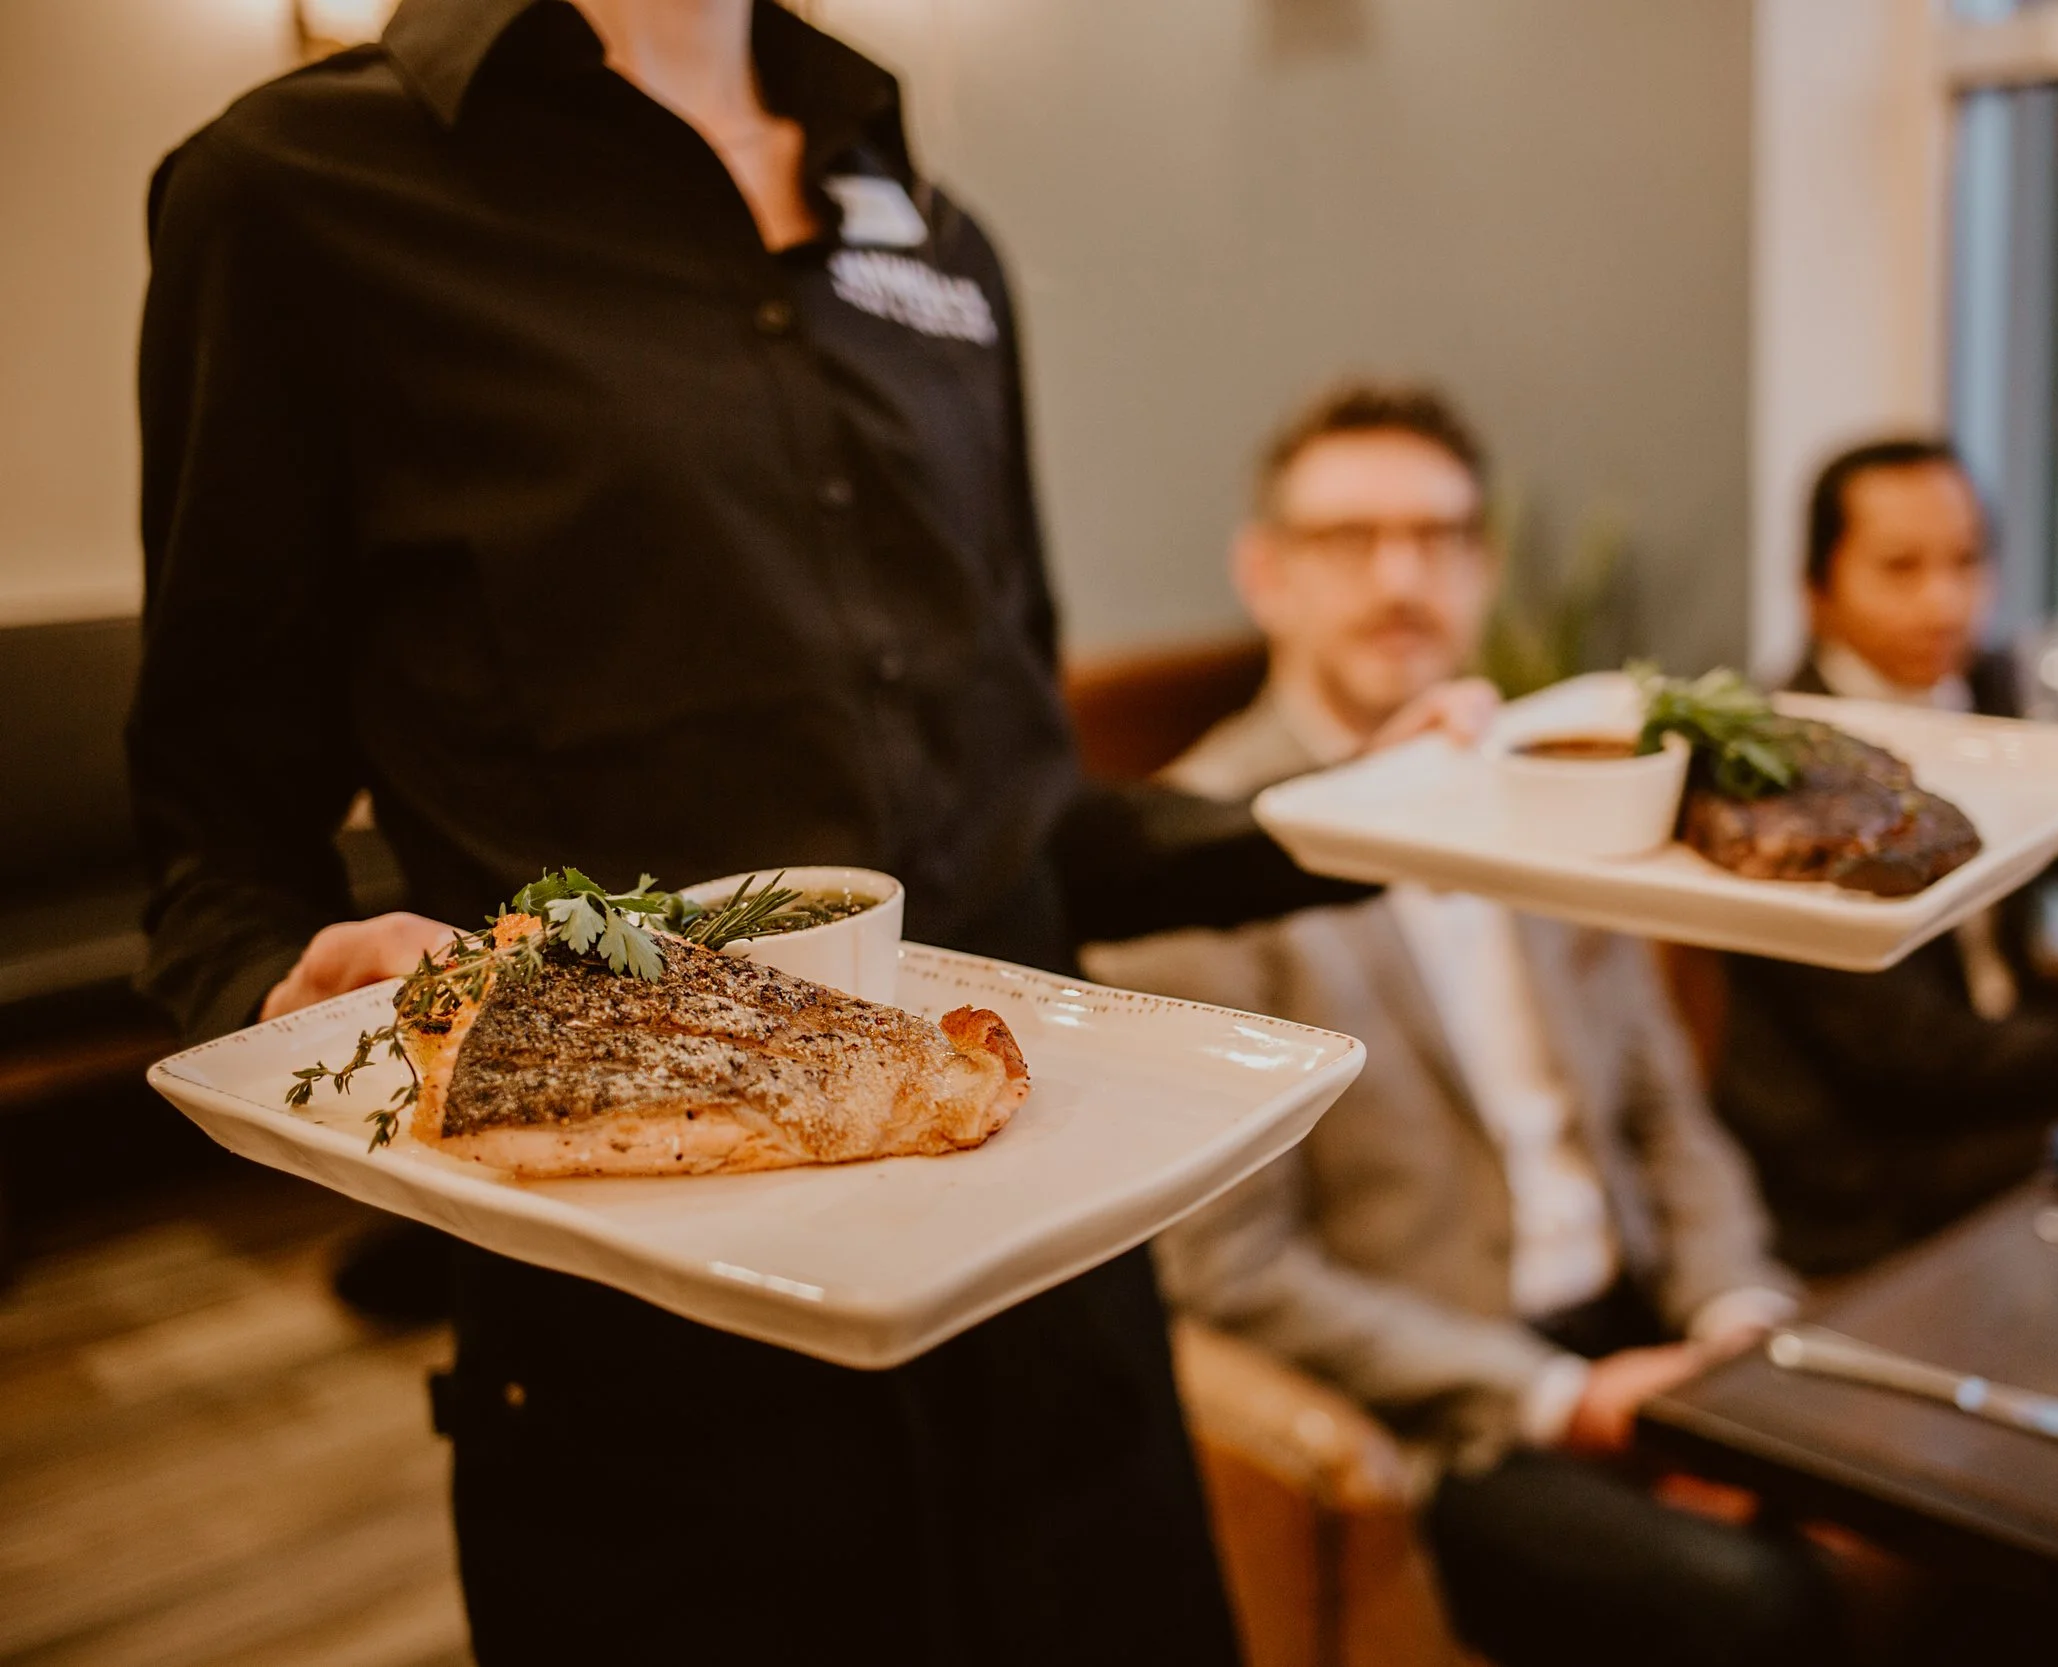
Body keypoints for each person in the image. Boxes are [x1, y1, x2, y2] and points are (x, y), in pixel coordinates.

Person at [129, 6, 1480, 1660]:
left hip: (1054, 1304)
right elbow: (219, 843)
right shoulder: (294, 194)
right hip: (656, 1345)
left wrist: (1381, 804)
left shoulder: (939, 239)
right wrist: (296, 994)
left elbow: (1025, 818)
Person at [1088, 381, 1837, 1667]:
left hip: (1650, 1322)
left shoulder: (1550, 784)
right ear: (1265, 575)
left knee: (1928, 1514)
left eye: (1438, 538)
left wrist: (1732, 1323)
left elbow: (1665, 1110)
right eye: (1348, 541)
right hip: (1453, 1408)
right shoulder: (1189, 861)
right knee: (1767, 1607)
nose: (1401, 577)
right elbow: (1231, 1273)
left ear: (1482, 568)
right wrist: (1569, 1400)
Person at [1711, 438, 2058, 1274]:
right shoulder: (1774, 765)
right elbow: (1916, 1059)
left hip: (2007, 1116)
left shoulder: (2000, 697)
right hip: (1866, 1181)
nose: (1945, 602)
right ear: (1817, 589)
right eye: (1901, 567)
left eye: (1967, 561)